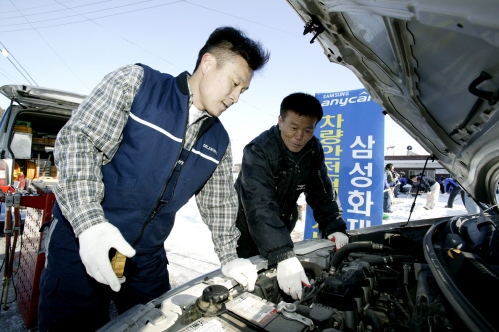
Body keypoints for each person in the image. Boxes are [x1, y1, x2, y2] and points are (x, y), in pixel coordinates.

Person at [38, 26, 270, 332]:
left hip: (144, 259)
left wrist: (230, 257)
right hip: (82, 242)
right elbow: (80, 144)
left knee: (161, 324)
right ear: (208, 63)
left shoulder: (219, 142)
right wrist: (90, 225)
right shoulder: (137, 85)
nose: (236, 97)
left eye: (243, 91)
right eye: (235, 84)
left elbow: (220, 204)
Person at [234, 92, 348, 300]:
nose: (299, 137)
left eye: (308, 130)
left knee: (283, 283)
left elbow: (321, 189)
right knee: (249, 287)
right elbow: (259, 204)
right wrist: (282, 254)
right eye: (294, 128)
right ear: (280, 121)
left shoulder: (313, 149)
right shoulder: (258, 150)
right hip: (246, 230)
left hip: (282, 224)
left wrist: (332, 223)